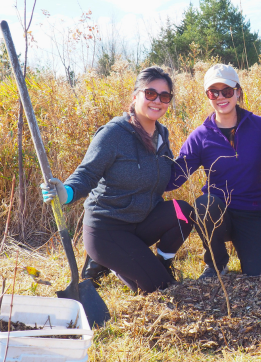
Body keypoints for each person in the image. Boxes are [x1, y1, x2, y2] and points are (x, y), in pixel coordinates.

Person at [40, 66, 194, 293]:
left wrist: (203, 154)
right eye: (150, 93)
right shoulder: (114, 133)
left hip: (141, 223)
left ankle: (160, 264)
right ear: (135, 96)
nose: (157, 100)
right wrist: (67, 192)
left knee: (184, 212)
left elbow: (167, 172)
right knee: (160, 288)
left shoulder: (162, 135)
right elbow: (88, 173)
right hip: (107, 229)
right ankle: (108, 260)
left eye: (165, 96)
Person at [167, 64, 261, 281]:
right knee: (204, 203)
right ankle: (216, 264)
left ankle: (249, 248)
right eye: (213, 92)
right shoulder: (200, 136)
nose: (221, 97)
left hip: (253, 213)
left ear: (238, 91)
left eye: (227, 91)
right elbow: (174, 178)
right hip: (218, 214)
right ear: (207, 95)